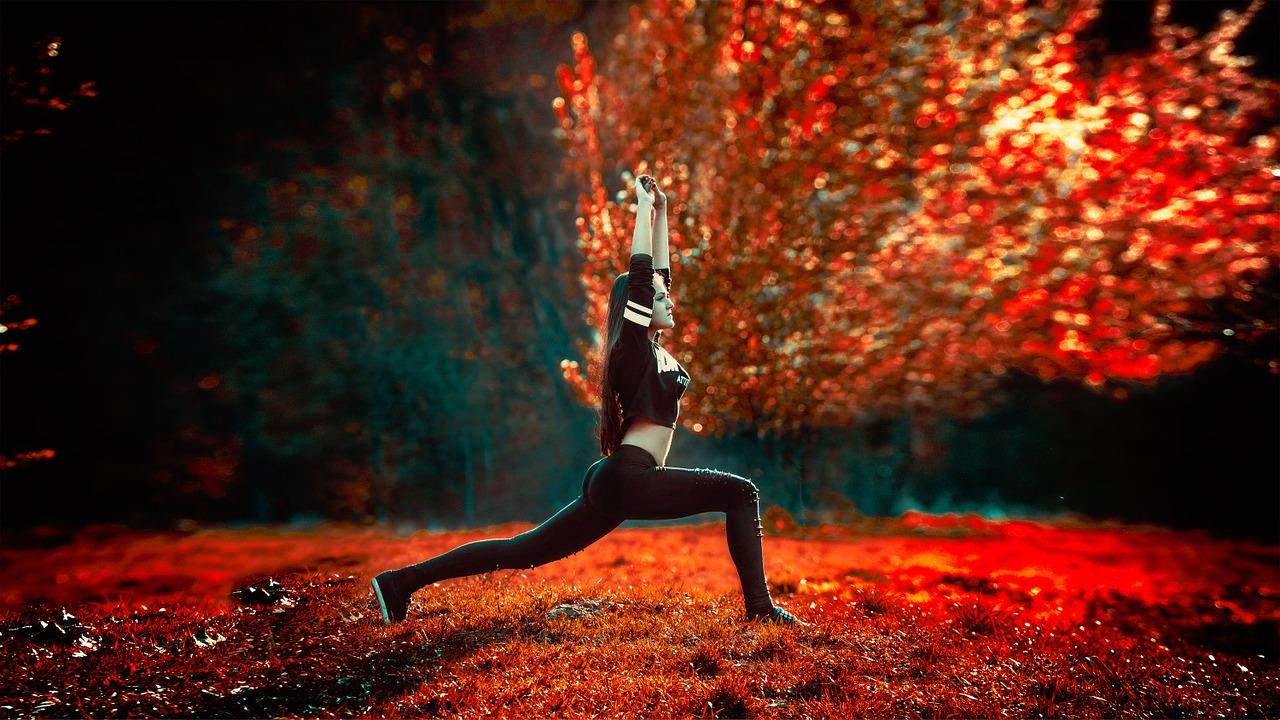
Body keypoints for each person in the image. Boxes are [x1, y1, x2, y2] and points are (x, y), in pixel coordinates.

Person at [371, 172, 807, 627]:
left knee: (525, 551)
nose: (669, 300)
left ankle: (399, 583)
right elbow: (643, 278)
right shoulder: (632, 348)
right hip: (628, 476)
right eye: (660, 298)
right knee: (741, 492)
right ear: (637, 306)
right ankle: (760, 609)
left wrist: (663, 211)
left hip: (621, 479)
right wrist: (640, 208)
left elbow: (658, 276)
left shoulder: (652, 347)